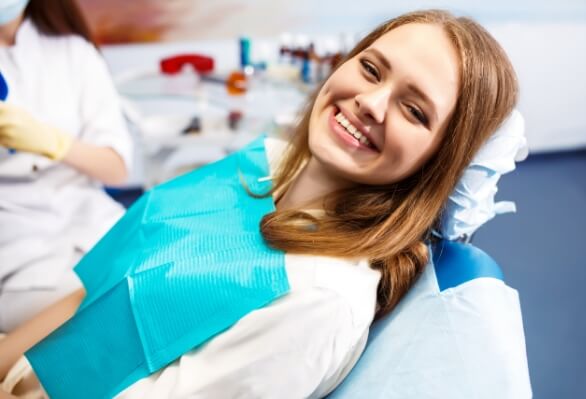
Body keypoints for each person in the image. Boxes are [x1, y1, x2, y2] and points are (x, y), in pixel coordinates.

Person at [0, 9, 523, 399]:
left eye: (414, 109)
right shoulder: (264, 163)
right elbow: (98, 286)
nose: (371, 102)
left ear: (441, 162)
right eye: (371, 68)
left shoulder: (319, 300)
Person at [0, 0, 133, 332]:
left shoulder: (74, 53)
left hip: (96, 225)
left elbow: (116, 168)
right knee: (105, 311)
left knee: (162, 284)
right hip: (19, 253)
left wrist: (53, 142)